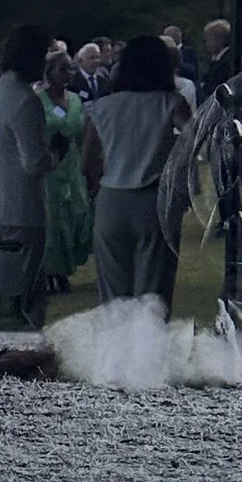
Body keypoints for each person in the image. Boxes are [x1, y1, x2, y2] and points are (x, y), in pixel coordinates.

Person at [85, 35, 192, 306]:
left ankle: (114, 347)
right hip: (152, 199)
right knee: (153, 294)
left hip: (111, 199)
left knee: (113, 296)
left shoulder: (103, 107)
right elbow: (195, 140)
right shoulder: (171, 102)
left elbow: (88, 161)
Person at [0, 24, 53, 326]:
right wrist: (57, 152)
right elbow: (34, 162)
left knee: (0, 291)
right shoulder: (25, 100)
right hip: (21, 210)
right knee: (20, 295)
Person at [37, 47, 95, 290]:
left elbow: (83, 133)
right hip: (49, 166)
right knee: (54, 220)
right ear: (50, 72)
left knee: (78, 214)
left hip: (71, 163)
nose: (68, 74)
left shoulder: (75, 100)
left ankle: (67, 267)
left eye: (70, 69)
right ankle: (50, 272)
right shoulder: (38, 100)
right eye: (62, 70)